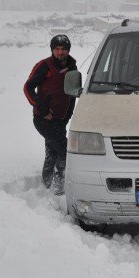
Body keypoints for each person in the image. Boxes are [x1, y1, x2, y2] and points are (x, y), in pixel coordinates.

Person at [24, 34, 78, 195]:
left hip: (60, 120)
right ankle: (59, 187)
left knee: (52, 153)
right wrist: (42, 109)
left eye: (63, 49)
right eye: (57, 49)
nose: (60, 52)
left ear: (68, 50)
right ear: (52, 50)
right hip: (43, 120)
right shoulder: (44, 66)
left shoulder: (72, 68)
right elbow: (27, 88)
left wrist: (67, 116)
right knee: (65, 151)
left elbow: (72, 93)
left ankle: (46, 186)